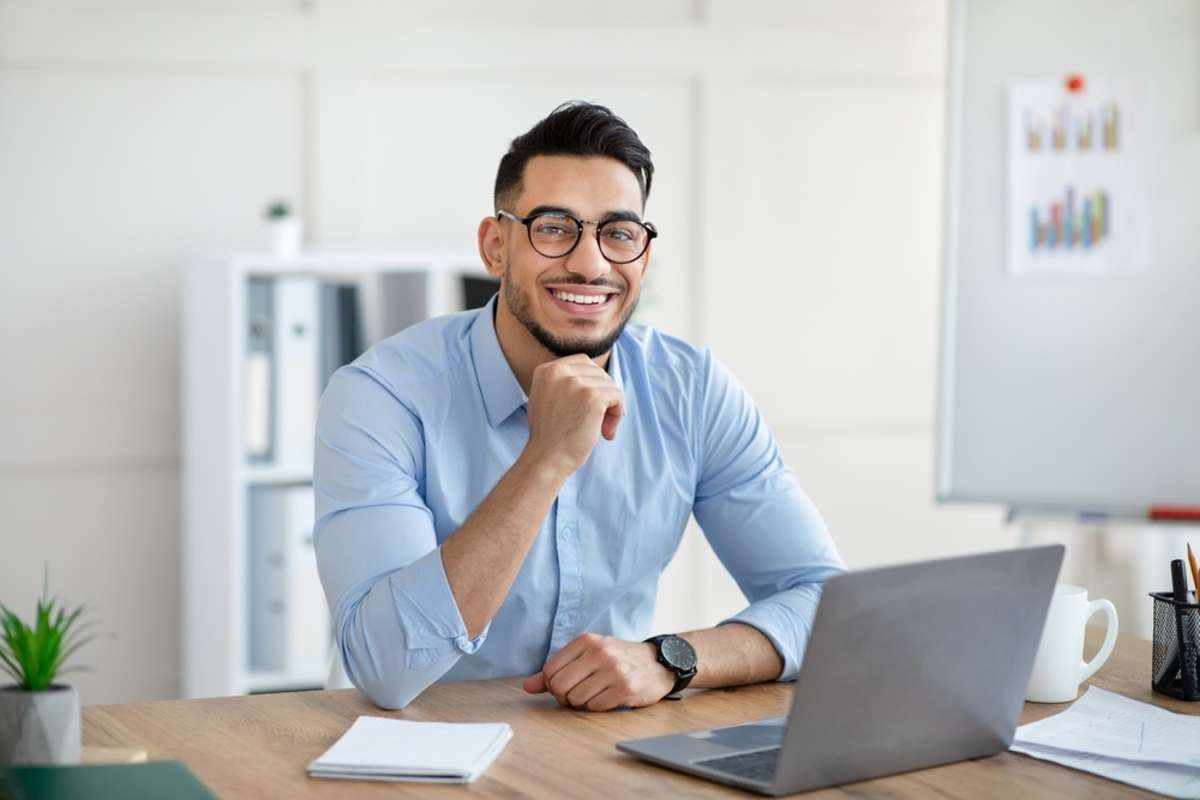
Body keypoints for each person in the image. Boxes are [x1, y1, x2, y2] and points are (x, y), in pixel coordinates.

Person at [314, 101, 844, 711]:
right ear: (495, 247)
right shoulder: (380, 396)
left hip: (603, 753)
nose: (590, 264)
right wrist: (546, 458)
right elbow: (385, 666)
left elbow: (822, 600)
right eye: (554, 227)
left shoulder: (692, 390)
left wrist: (672, 659)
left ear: (642, 257)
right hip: (411, 752)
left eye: (618, 233)